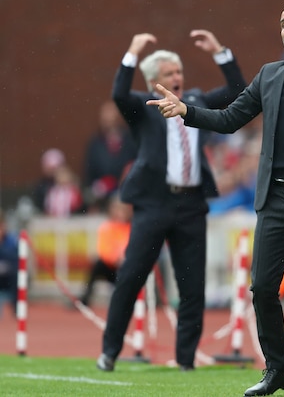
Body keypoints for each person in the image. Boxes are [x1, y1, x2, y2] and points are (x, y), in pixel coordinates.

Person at [149, 2, 284, 397]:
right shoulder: (269, 76)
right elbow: (229, 118)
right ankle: (278, 371)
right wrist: (187, 111)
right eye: (283, 23)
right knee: (263, 289)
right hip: (274, 201)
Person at [96, 30, 246, 372]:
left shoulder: (196, 101)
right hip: (153, 204)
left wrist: (220, 51)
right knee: (131, 277)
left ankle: (185, 361)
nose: (176, 78)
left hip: (191, 205)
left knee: (192, 287)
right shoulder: (143, 107)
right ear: (153, 82)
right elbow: (118, 93)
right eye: (168, 74)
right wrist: (131, 52)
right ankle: (109, 351)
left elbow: (238, 92)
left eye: (178, 72)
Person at [83, 100, 137, 213]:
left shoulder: (130, 140)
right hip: (101, 198)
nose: (109, 121)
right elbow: (89, 171)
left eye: (112, 116)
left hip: (124, 197)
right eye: (105, 117)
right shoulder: (95, 143)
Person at [80, 194, 132, 307]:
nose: (119, 212)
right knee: (96, 266)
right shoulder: (107, 227)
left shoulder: (132, 227)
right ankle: (84, 297)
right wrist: (116, 259)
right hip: (111, 266)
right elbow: (104, 250)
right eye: (116, 209)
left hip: (127, 266)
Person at [0, 210, 18, 318]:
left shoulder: (11, 239)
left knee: (17, 276)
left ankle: (16, 309)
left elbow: (14, 257)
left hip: (8, 275)